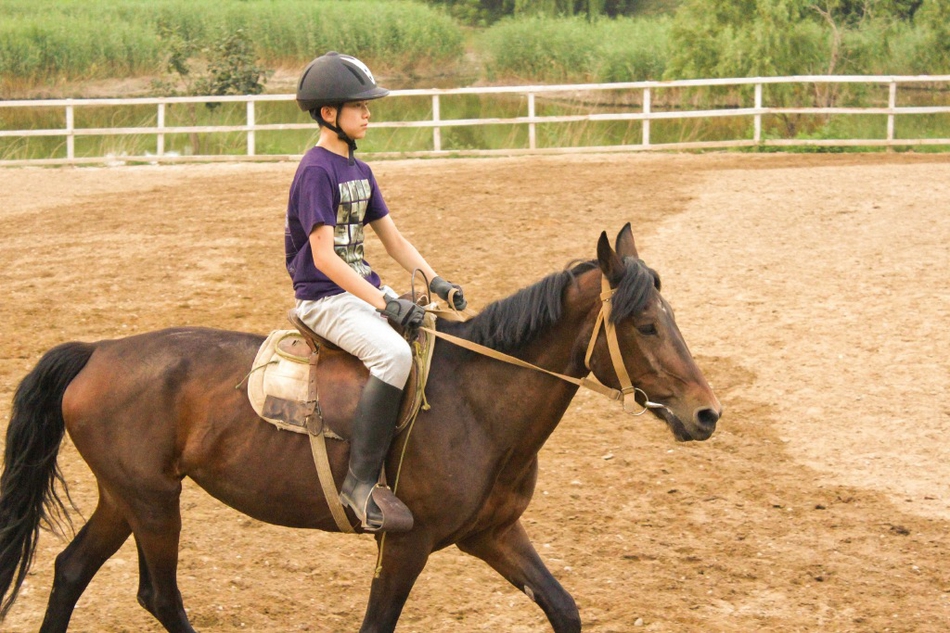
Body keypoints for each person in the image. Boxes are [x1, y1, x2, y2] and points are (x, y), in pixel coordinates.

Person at [285, 52, 467, 533]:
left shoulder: (358, 171)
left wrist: (436, 282)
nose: (369, 114)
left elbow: (393, 238)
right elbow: (323, 258)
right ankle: (359, 483)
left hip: (360, 287)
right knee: (392, 356)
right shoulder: (316, 172)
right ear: (330, 114)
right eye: (359, 106)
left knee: (430, 332)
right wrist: (385, 303)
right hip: (324, 298)